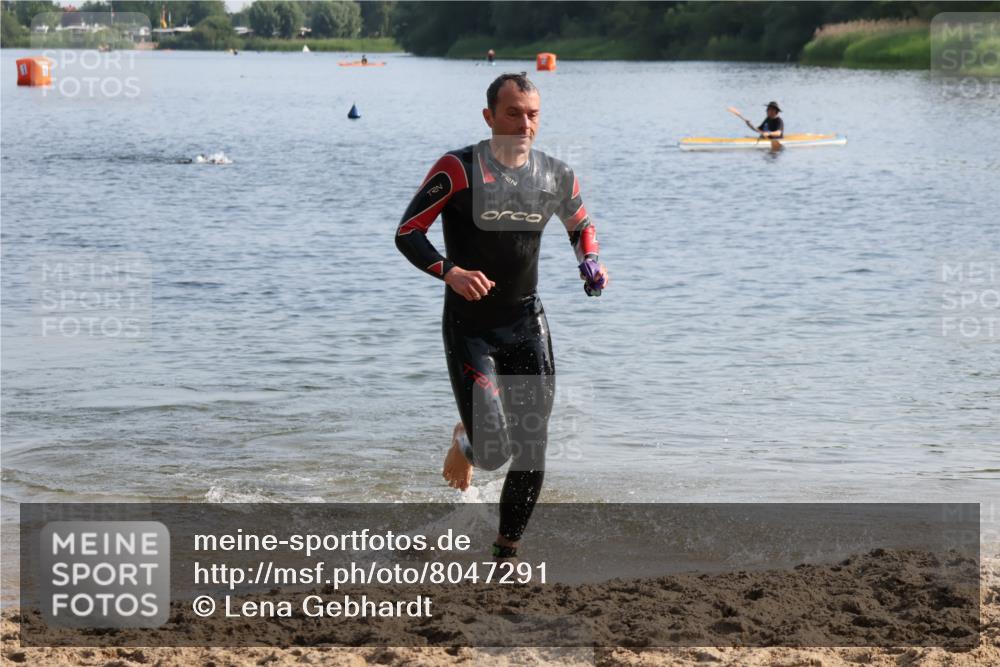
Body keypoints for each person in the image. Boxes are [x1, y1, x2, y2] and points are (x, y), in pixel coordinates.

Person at [395, 73, 608, 561]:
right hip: (471, 327)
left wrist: (589, 262)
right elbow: (408, 232)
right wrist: (450, 272)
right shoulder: (459, 168)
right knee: (493, 453)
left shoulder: (555, 174)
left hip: (527, 321)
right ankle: (466, 436)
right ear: (489, 116)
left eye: (532, 114)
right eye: (512, 113)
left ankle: (505, 552)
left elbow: (581, 225)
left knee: (532, 443)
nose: (524, 123)